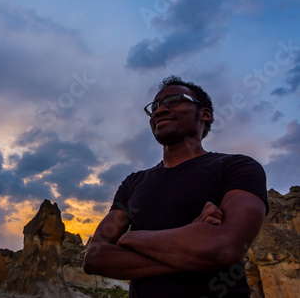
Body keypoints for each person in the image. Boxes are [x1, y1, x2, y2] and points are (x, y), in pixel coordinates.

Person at [83, 76, 268, 298]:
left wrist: (131, 239)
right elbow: (94, 258)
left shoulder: (237, 167)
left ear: (205, 114)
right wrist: (194, 239)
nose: (159, 110)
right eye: (154, 106)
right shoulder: (133, 182)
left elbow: (226, 247)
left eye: (173, 100)